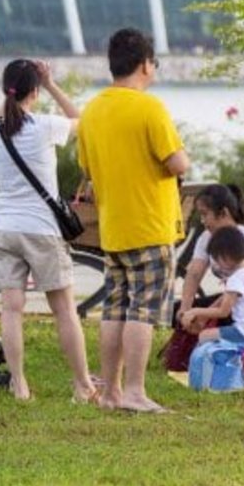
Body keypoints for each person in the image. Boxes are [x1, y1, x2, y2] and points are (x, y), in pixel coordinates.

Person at [77, 28, 190, 413]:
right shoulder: (150, 108)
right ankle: (136, 392)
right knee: (143, 310)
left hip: (113, 229)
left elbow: (88, 171)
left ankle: (110, 392)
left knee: (114, 308)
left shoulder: (92, 111)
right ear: (145, 64)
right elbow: (178, 163)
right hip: (150, 226)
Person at [0, 59, 95, 402]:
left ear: (5, 89)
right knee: (64, 310)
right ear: (35, 91)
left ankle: (20, 385)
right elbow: (84, 122)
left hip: (3, 228)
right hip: (41, 230)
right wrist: (51, 84)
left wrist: (16, 89)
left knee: (11, 309)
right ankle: (82, 386)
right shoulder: (44, 125)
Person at [177, 184, 244, 332]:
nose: (202, 221)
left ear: (223, 213)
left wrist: (204, 315)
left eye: (205, 214)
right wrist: (185, 310)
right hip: (230, 304)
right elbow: (194, 274)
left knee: (202, 320)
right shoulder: (206, 237)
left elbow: (242, 292)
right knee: (177, 310)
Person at [181, 226, 244, 350]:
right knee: (215, 335)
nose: (217, 264)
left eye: (217, 259)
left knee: (204, 336)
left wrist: (194, 311)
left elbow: (223, 312)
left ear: (226, 255)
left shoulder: (236, 279)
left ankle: (205, 368)